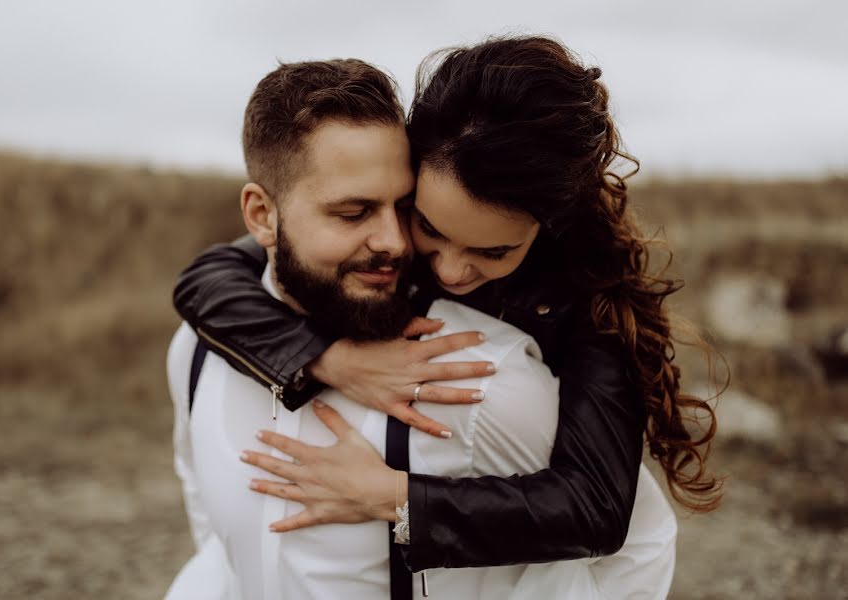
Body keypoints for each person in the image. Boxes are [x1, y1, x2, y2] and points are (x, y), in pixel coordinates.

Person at [173, 35, 721, 574]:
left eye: (492, 251)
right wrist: (324, 358)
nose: (448, 270)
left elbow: (597, 511)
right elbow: (211, 275)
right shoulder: (369, 237)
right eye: (429, 226)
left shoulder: (582, 310)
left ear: (546, 227)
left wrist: (399, 497)